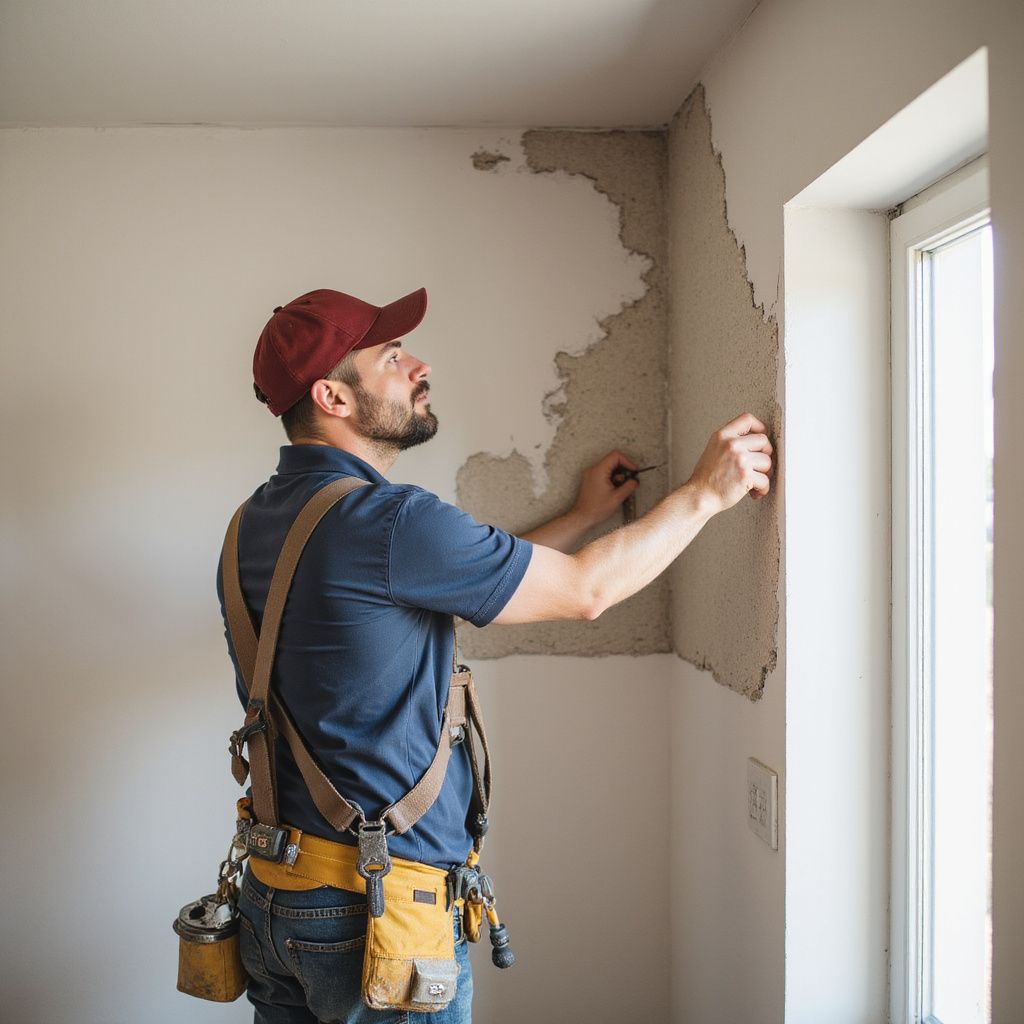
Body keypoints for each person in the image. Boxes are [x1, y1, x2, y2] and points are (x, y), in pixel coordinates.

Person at [219, 285, 773, 1024]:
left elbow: (459, 588)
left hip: (276, 902)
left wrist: (581, 516)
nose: (416, 364)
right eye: (390, 357)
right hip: (373, 921)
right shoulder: (389, 522)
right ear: (333, 396)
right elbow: (584, 593)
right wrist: (707, 492)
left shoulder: (257, 521)